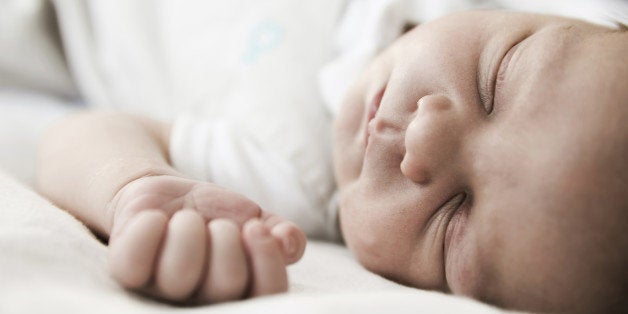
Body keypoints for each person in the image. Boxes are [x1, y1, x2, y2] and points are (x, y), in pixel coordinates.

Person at [35, 9, 627, 314]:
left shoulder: (288, 178)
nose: (423, 137)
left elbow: (77, 137)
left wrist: (133, 185)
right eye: (497, 78)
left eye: (453, 222)